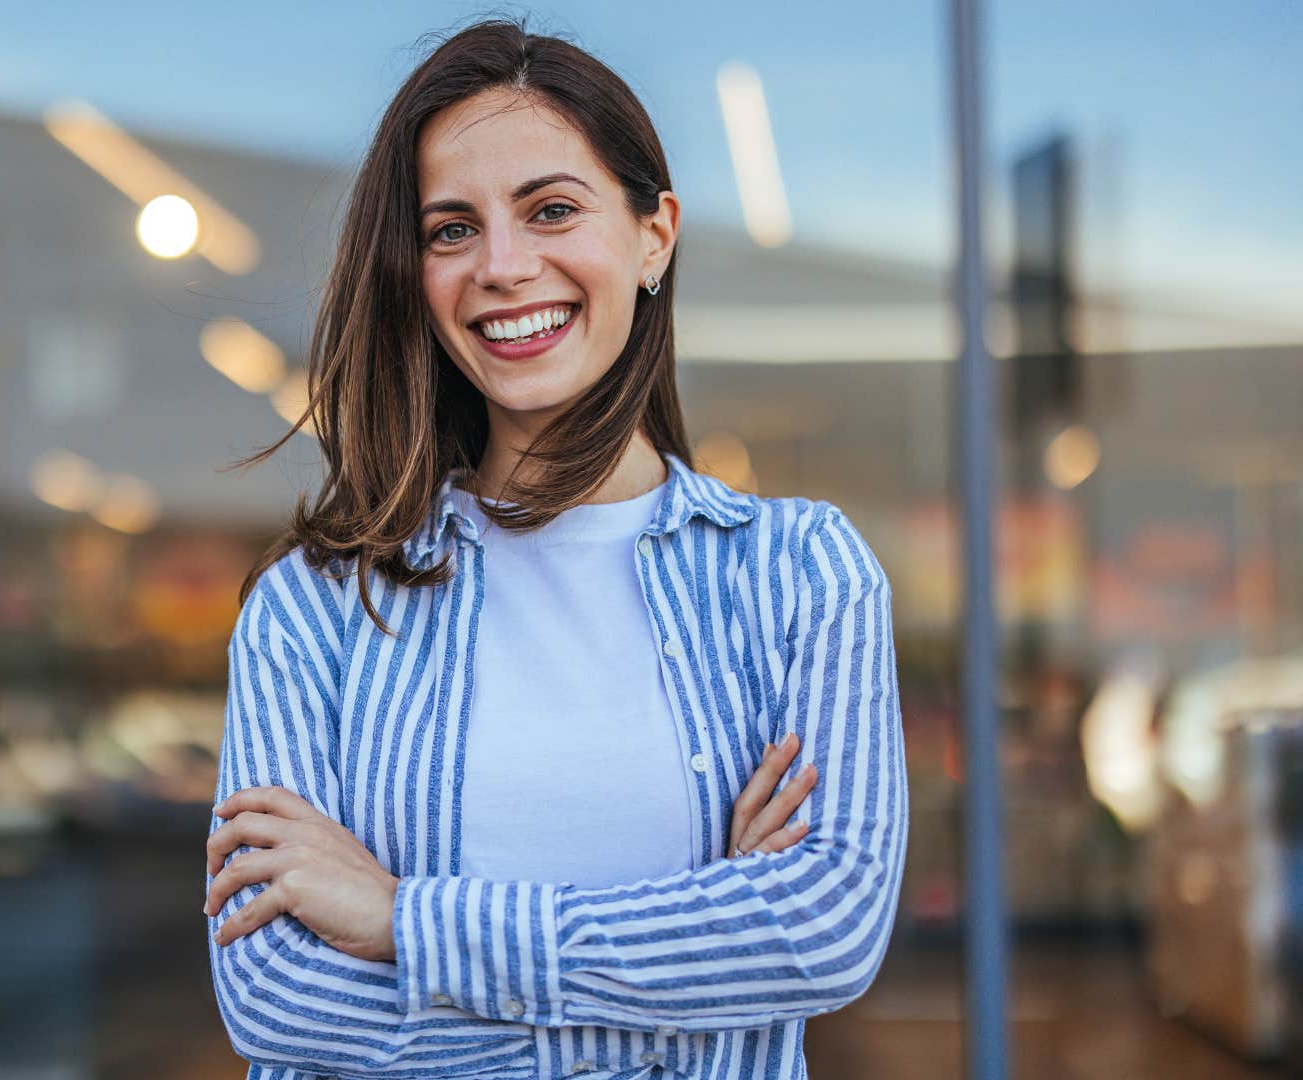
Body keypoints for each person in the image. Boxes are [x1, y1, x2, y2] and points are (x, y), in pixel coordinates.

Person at [202, 17, 907, 1079]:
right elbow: (276, 1000)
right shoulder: (317, 607)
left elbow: (823, 931)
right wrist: (695, 966)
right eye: (451, 230)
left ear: (655, 235)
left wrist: (403, 920)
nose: (503, 266)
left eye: (552, 210)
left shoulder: (801, 576)